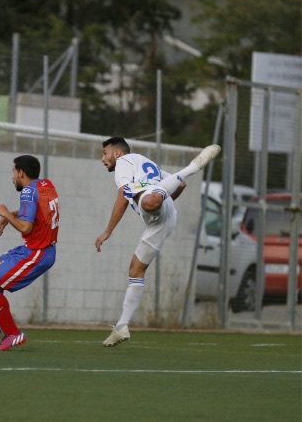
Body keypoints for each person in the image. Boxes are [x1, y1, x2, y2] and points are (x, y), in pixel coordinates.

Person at [94, 137, 220, 347]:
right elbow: (182, 185)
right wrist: (165, 202)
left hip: (155, 206)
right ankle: (122, 326)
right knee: (135, 270)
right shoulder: (144, 162)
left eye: (105, 153)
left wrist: (107, 231)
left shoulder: (124, 163)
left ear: (117, 153)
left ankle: (191, 167)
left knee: (149, 201)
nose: (102, 159)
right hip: (163, 219)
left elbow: (123, 195)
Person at [0, 155, 60, 351]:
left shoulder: (27, 191)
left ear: (21, 173)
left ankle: (13, 334)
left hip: (37, 252)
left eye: (13, 172)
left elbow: (26, 228)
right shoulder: (46, 185)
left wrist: (5, 213)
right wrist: (12, 215)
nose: (12, 176)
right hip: (36, 248)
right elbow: (37, 211)